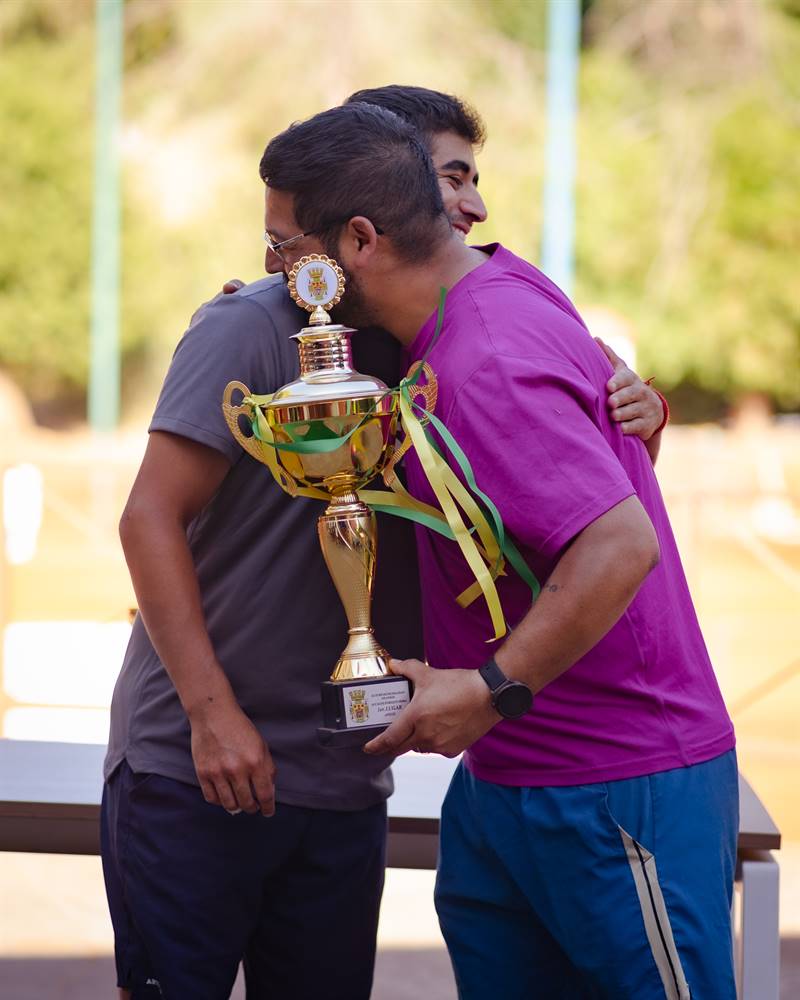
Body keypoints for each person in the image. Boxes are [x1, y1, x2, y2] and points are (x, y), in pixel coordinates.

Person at [101, 87, 667, 999]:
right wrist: (211, 715)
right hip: (202, 760)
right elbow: (147, 517)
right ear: (377, 211)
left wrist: (636, 410)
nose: (467, 208)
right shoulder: (253, 325)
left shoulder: (456, 338)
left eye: (465, 183)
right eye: (449, 180)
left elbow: (571, 505)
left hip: (347, 770)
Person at [258, 102, 738, 999]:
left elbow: (619, 541)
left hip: (610, 781)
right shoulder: (485, 299)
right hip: (514, 776)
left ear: (359, 240)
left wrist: (490, 690)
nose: (274, 272)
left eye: (285, 248)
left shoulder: (488, 357)